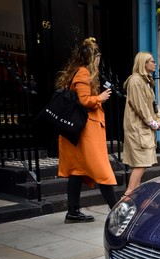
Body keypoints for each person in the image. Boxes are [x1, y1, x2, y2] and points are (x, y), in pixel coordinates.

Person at [56, 37, 117, 223]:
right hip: (85, 131)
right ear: (92, 57)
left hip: (79, 130)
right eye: (97, 56)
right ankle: (117, 212)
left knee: (77, 171)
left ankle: (73, 212)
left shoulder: (77, 72)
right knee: (103, 170)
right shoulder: (83, 73)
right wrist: (100, 97)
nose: (99, 60)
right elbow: (84, 101)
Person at [122, 52, 160, 197]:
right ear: (143, 63)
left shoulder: (146, 81)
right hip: (137, 128)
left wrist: (159, 119)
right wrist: (152, 123)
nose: (154, 63)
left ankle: (131, 196)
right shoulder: (135, 81)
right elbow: (140, 106)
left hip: (144, 127)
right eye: (151, 61)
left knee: (142, 163)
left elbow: (153, 105)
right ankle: (127, 196)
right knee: (141, 162)